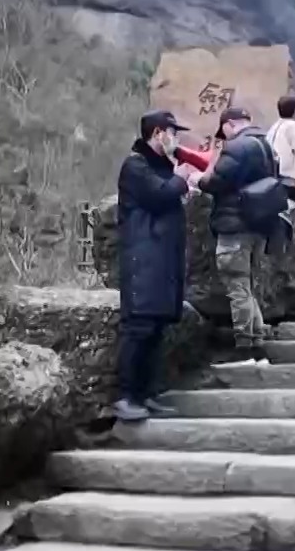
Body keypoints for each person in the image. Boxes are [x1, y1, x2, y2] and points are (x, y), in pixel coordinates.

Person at [112, 110, 198, 422]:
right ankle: (126, 396)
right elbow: (159, 194)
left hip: (161, 259)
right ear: (158, 133)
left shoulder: (159, 166)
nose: (176, 139)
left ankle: (145, 394)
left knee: (156, 330)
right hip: (143, 259)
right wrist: (182, 177)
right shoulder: (135, 165)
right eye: (172, 132)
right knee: (139, 328)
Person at [193, 107, 283, 363]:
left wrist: (198, 180)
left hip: (235, 225)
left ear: (230, 124)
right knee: (246, 286)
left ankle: (245, 346)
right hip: (259, 225)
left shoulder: (237, 147)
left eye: (224, 130)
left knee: (237, 286)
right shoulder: (266, 146)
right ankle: (257, 341)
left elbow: (217, 181)